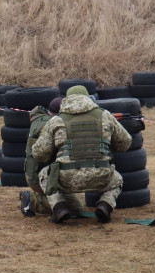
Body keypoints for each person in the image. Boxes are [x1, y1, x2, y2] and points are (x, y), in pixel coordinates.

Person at [31, 85, 131, 224]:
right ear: (88, 98)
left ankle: (59, 207)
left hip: (67, 178)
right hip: (101, 175)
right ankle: (105, 204)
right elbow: (125, 143)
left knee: (44, 174)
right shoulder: (105, 115)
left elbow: (39, 154)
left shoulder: (56, 120)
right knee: (117, 180)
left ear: (66, 100)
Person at [19, 96, 62, 217]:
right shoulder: (44, 125)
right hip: (38, 177)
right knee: (65, 208)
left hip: (49, 172)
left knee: (75, 207)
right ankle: (30, 200)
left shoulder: (45, 119)